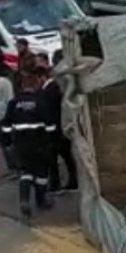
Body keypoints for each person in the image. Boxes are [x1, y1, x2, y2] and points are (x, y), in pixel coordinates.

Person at [2, 68, 55, 221]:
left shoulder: (14, 102)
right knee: (41, 174)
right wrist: (50, 141)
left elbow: (5, 125)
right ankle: (41, 201)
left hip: (21, 144)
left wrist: (8, 142)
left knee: (25, 172)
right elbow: (50, 125)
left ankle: (24, 200)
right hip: (39, 144)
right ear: (35, 85)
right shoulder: (40, 101)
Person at [36, 55, 77, 194]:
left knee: (54, 158)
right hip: (59, 128)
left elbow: (50, 111)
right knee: (66, 157)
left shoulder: (50, 90)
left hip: (55, 129)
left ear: (41, 77)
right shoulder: (54, 87)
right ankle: (72, 181)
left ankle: (56, 184)